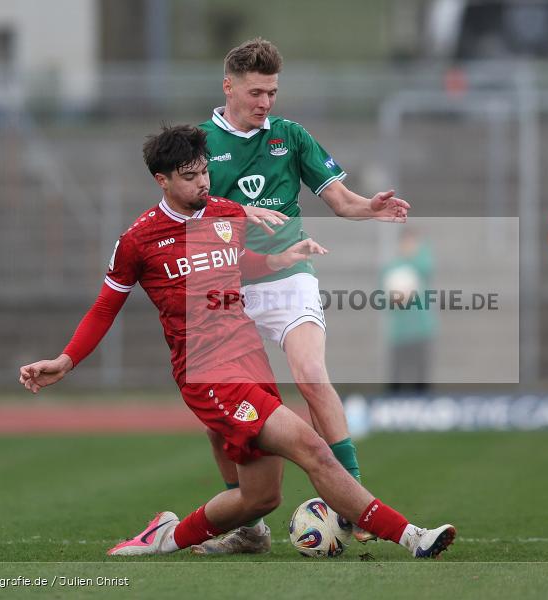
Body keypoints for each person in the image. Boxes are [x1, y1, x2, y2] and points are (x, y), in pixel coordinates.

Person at [18, 124, 455, 559]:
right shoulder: (138, 240)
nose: (202, 182)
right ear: (162, 180)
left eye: (204, 172)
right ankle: (412, 536)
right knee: (313, 448)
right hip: (208, 373)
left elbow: (236, 264)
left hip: (250, 362)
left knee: (260, 498)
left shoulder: (225, 212)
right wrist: (67, 359)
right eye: (189, 177)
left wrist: (280, 259)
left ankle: (164, 537)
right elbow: (104, 307)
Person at [195, 37, 410, 552]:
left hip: (289, 277)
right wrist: (239, 213)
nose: (266, 102)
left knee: (312, 374)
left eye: (271, 92)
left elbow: (340, 200)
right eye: (255, 92)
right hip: (227, 285)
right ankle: (247, 526)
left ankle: (352, 499)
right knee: (218, 413)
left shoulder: (290, 137)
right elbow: (191, 216)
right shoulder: (197, 144)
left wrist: (369, 207)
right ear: (229, 86)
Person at [381, 227, 437, 394]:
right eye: (406, 242)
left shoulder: (421, 265)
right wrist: (397, 300)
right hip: (400, 333)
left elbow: (427, 266)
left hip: (422, 331)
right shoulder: (392, 268)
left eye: (413, 242)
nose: (409, 246)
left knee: (422, 376)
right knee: (396, 375)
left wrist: (419, 250)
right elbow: (385, 298)